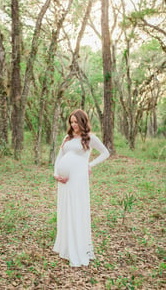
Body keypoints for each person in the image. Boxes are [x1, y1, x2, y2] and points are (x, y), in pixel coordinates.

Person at [53, 109, 110, 267]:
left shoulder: (90, 137)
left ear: (82, 122)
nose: (73, 124)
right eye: (71, 122)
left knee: (77, 209)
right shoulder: (67, 138)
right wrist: (55, 173)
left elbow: (105, 153)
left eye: (76, 122)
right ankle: (66, 246)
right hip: (64, 181)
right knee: (65, 209)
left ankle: (78, 247)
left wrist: (89, 165)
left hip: (78, 179)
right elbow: (59, 157)